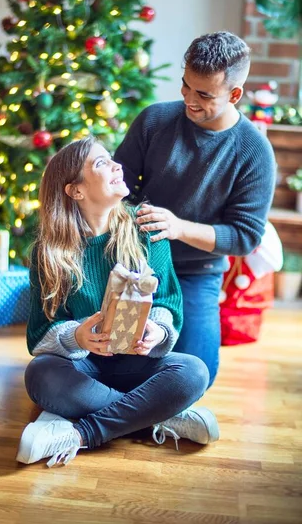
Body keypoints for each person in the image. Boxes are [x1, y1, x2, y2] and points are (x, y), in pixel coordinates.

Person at [17, 136, 219, 468]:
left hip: (137, 365)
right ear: (75, 190)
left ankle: (80, 433)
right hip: (84, 368)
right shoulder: (49, 252)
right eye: (101, 163)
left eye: (112, 159)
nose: (117, 165)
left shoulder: (146, 228)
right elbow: (39, 336)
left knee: (194, 372)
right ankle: (157, 416)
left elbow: (168, 301)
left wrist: (156, 330)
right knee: (40, 374)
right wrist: (77, 336)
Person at [114, 31, 276, 387]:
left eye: (203, 94)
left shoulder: (254, 151)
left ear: (234, 94)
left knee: (197, 375)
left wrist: (177, 227)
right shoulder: (154, 120)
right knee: (120, 361)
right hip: (135, 264)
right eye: (185, 85)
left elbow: (245, 237)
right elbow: (118, 190)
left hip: (197, 273)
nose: (189, 99)